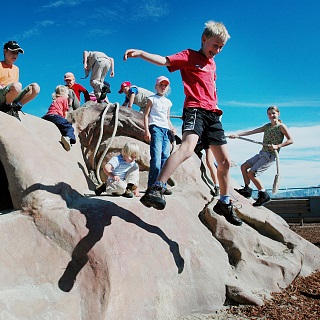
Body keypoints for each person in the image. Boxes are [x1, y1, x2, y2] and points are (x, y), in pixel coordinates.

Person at [123, 20, 243, 226]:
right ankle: (157, 187)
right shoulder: (189, 56)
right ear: (204, 39)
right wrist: (141, 53)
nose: (218, 50)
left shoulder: (212, 64)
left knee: (224, 163)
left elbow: (212, 88)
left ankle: (224, 202)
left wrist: (216, 109)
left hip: (213, 115)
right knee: (187, 149)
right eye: (215, 45)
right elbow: (163, 61)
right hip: (195, 110)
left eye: (221, 47)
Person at [230, 106, 293, 206]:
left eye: (273, 113)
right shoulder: (267, 126)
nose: (271, 115)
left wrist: (278, 146)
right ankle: (247, 189)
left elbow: (291, 140)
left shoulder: (281, 126)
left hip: (270, 156)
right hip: (262, 153)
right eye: (269, 114)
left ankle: (263, 195)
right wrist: (237, 135)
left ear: (278, 114)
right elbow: (252, 131)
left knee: (251, 173)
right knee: (243, 167)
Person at [144, 76, 176, 195]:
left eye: (165, 85)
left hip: (165, 130)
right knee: (156, 158)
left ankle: (162, 185)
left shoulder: (168, 102)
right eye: (161, 85)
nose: (163, 87)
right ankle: (152, 186)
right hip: (156, 128)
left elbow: (167, 118)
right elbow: (146, 115)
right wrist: (147, 130)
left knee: (165, 158)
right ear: (156, 86)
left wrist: (172, 127)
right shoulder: (152, 99)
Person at [0, 41, 40, 121]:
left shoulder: (16, 69)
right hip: (1, 94)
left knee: (35, 87)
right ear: (5, 51)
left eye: (17, 53)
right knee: (17, 85)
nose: (15, 55)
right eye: (12, 52)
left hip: (11, 95)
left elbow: (15, 86)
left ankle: (15, 107)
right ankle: (6, 108)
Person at [42, 85, 76, 151]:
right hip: (56, 116)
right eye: (67, 94)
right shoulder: (64, 99)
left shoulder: (55, 100)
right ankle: (68, 138)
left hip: (47, 116)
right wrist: (65, 120)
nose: (68, 96)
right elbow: (65, 112)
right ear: (63, 94)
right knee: (68, 126)